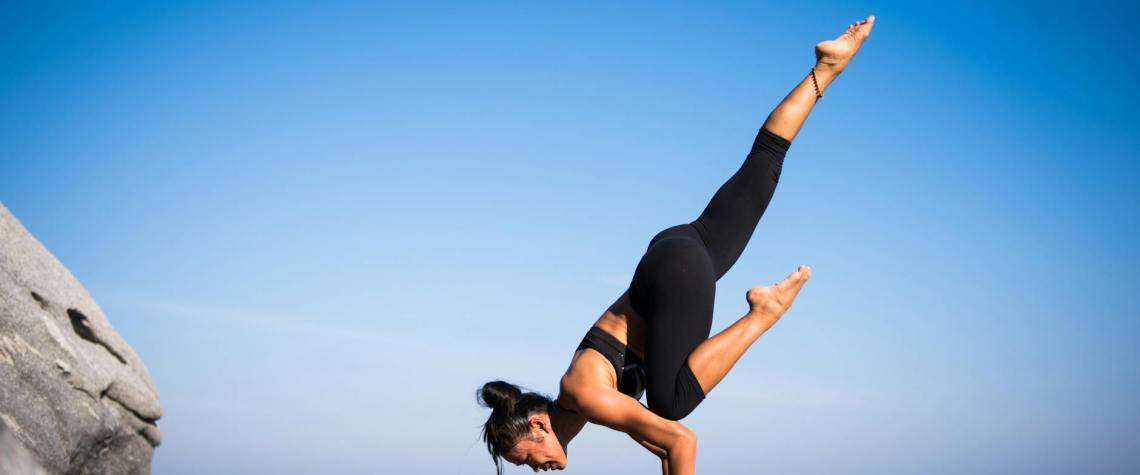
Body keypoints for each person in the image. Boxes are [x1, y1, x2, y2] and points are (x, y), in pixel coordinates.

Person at [476, 16, 875, 474]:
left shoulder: (584, 395)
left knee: (671, 404)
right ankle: (827, 68)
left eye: (526, 459)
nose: (535, 469)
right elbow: (664, 448)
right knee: (762, 165)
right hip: (676, 253)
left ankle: (763, 313)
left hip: (675, 275)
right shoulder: (580, 401)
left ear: (538, 427)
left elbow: (681, 440)